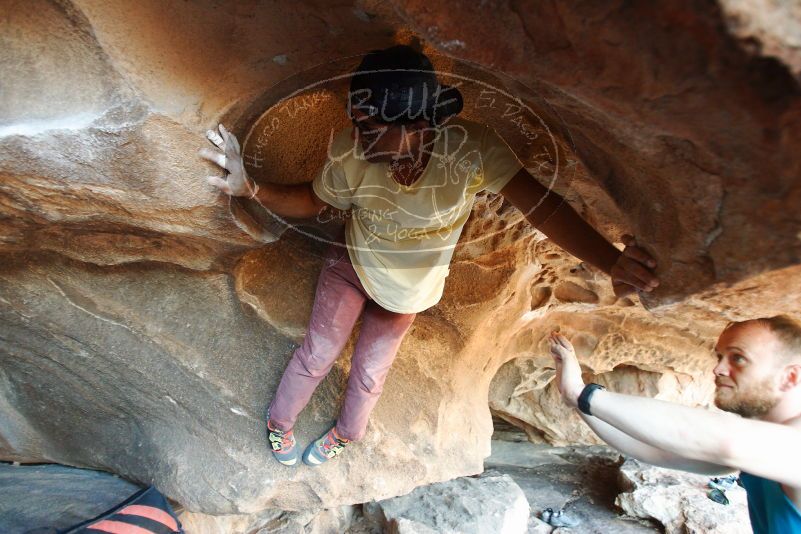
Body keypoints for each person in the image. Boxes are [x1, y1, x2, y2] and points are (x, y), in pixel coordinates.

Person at [199, 44, 660, 467]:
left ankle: (346, 434)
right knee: (318, 353)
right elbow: (311, 201)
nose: (356, 138)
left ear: (419, 128)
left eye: (370, 128)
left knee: (368, 376)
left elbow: (541, 206)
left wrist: (613, 262)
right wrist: (250, 186)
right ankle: (280, 422)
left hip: (410, 291)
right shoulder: (349, 153)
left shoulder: (472, 150)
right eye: (355, 122)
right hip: (352, 265)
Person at [548, 315, 801, 533]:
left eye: (738, 358)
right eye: (720, 356)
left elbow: (727, 441)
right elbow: (654, 450)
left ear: (790, 376)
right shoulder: (760, 448)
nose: (718, 369)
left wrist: (583, 394)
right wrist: (577, 400)